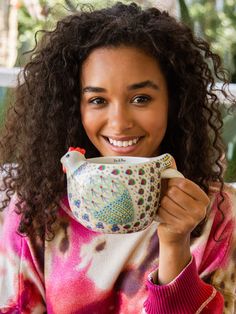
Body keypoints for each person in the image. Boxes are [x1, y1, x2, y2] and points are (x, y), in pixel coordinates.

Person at [0, 2, 235, 313]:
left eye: (141, 98)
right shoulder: (33, 212)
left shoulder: (217, 215)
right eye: (97, 99)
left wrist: (175, 245)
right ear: (74, 107)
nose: (119, 122)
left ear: (173, 102)